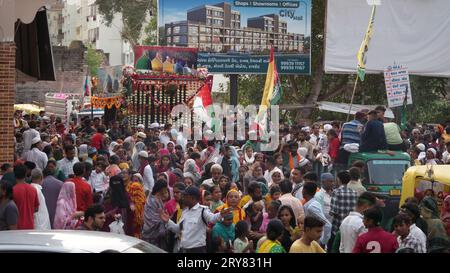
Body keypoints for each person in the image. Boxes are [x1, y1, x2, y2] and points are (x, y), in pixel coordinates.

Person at [160, 186, 232, 253]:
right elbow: (178, 229)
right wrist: (168, 221)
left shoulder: (203, 210)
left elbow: (212, 219)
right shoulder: (184, 212)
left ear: (192, 198)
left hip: (197, 250)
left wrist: (220, 214)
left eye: (185, 196)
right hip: (183, 250)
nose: (183, 198)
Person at [330, 170, 358, 250]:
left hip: (338, 227)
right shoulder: (354, 192)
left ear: (338, 179)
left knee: (335, 248)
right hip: (350, 226)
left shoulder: (336, 192)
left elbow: (334, 211)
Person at [142, 179, 170, 250]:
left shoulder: (159, 198)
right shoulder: (152, 200)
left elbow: (161, 213)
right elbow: (150, 217)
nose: (165, 191)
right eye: (164, 189)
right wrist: (163, 220)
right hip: (150, 232)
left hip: (158, 236)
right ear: (161, 188)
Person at [302, 182, 332, 247]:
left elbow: (327, 224)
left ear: (304, 191)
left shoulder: (312, 207)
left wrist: (323, 241)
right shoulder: (312, 204)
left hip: (315, 242)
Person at [12, 164, 39, 229]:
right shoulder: (33, 189)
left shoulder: (12, 190)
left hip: (17, 227)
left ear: (14, 174)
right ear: (25, 174)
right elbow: (36, 208)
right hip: (30, 226)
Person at [122, 169, 146, 238]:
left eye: (125, 173)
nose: (123, 175)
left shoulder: (135, 186)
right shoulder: (122, 186)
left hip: (134, 217)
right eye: (122, 173)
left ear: (129, 175)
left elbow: (141, 202)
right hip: (123, 215)